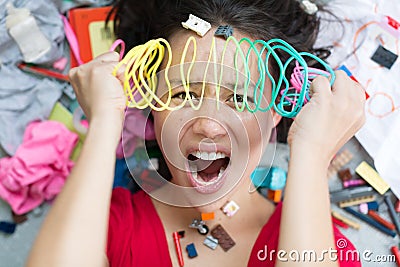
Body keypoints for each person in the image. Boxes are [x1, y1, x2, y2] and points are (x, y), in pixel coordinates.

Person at [27, 0, 366, 266]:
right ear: (151, 103)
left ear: (276, 110)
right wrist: (104, 120)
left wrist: (312, 153)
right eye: (182, 94)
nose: (207, 124)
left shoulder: (320, 241)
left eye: (240, 98)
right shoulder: (106, 225)